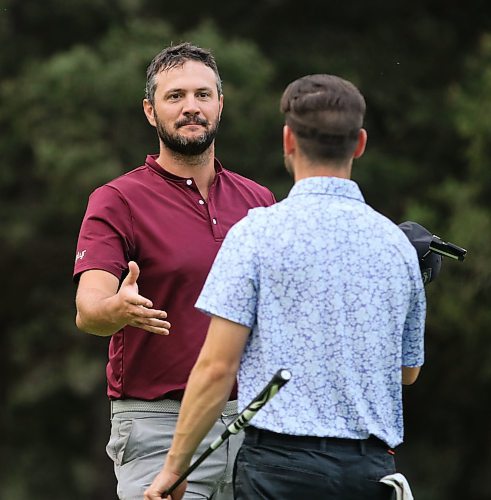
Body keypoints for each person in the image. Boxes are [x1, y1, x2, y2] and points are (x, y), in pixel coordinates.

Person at [144, 74, 426, 500]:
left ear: (288, 140)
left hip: (279, 471)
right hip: (371, 474)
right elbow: (407, 372)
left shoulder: (255, 232)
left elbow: (217, 367)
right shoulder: (398, 246)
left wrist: (175, 466)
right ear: (360, 143)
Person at [73, 42, 275, 500]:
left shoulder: (259, 200)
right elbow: (88, 310)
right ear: (150, 111)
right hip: (158, 429)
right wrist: (117, 307)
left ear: (220, 104)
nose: (191, 108)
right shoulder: (117, 200)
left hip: (254, 423)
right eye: (175, 96)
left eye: (203, 95)